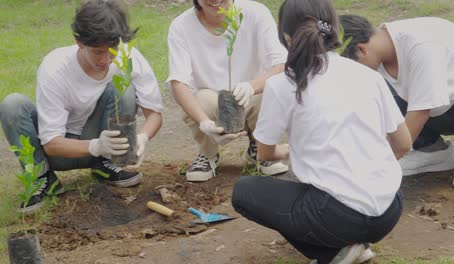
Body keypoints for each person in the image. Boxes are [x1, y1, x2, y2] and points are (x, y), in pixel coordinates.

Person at [231, 0, 412, 263]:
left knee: (245, 192)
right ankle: (352, 243)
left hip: (337, 217)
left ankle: (334, 253)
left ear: (286, 37)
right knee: (311, 185)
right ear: (334, 30)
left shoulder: (283, 84)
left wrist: (291, 150)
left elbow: (264, 153)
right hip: (390, 209)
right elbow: (403, 144)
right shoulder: (368, 76)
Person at [0, 0, 163, 214]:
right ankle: (42, 178)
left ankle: (106, 165)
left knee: (123, 86)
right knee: (12, 104)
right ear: (78, 42)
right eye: (97, 52)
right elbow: (51, 143)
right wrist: (96, 146)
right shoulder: (55, 67)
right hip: (60, 153)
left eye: (112, 50)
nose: (106, 59)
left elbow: (155, 115)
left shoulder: (128, 57)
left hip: (103, 146)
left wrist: (142, 138)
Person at [165, 0, 289, 182]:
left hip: (252, 97)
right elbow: (179, 82)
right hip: (211, 102)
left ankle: (262, 147)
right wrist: (204, 122)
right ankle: (207, 154)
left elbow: (281, 64)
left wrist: (251, 86)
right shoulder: (181, 26)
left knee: (270, 89)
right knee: (202, 99)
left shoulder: (256, 13)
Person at [339, 15, 454, 188]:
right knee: (378, 90)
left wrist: (378, 168)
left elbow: (421, 112)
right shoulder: (381, 52)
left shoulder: (422, 45)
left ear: (362, 50)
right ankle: (432, 151)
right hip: (441, 110)